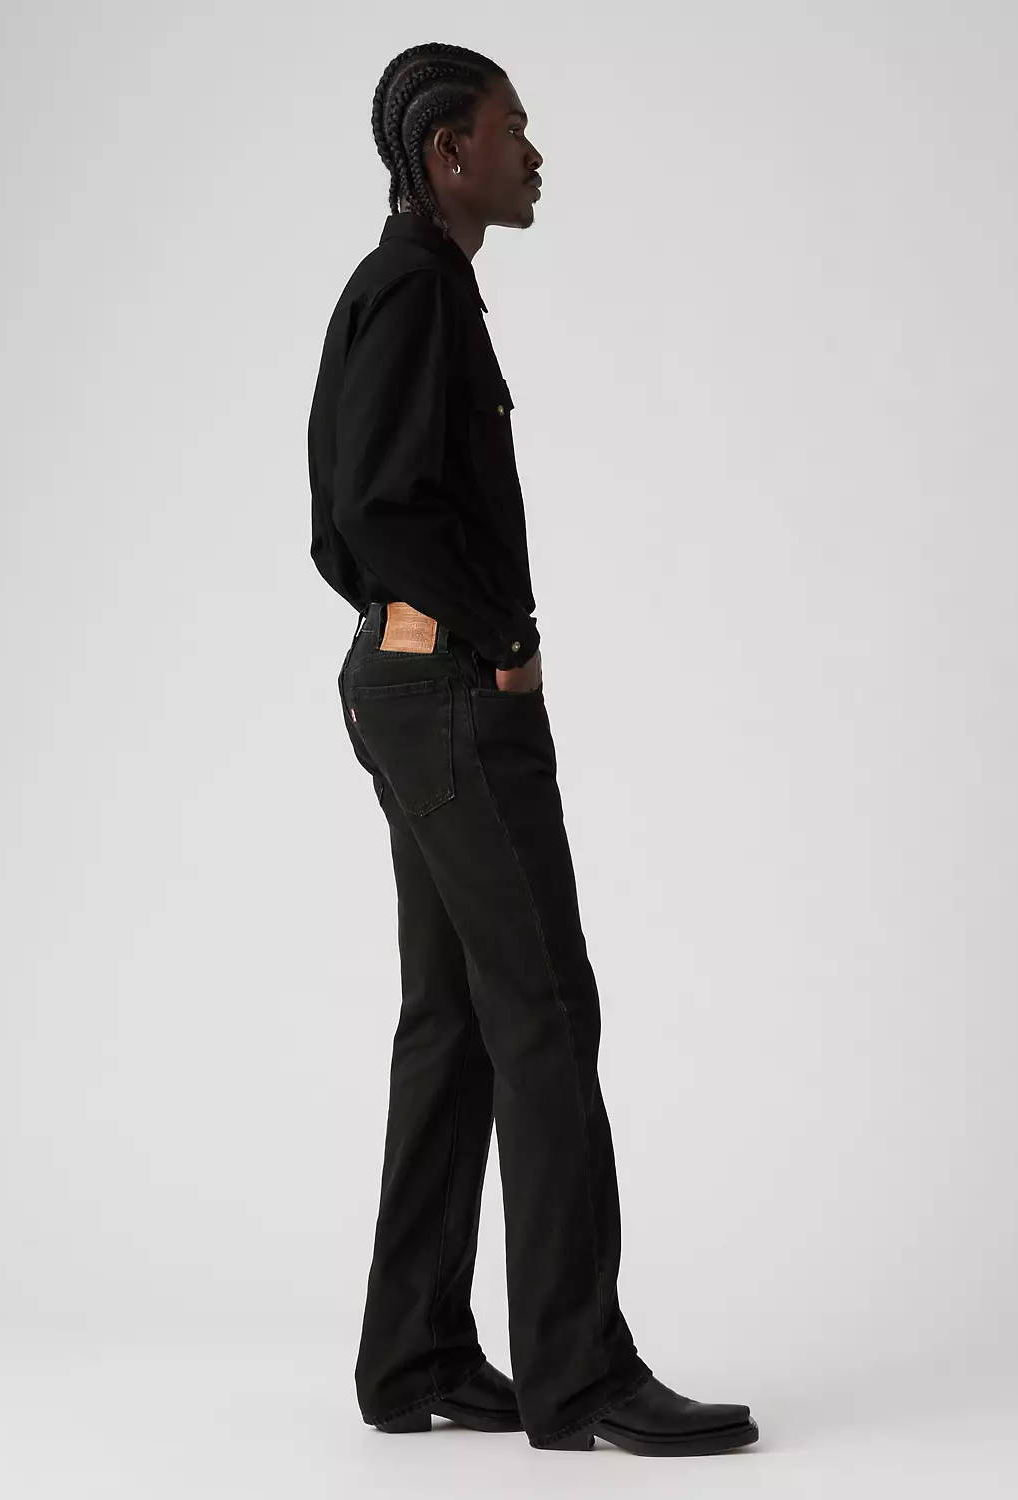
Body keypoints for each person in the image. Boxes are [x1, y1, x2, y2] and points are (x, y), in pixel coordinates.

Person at [306, 42, 759, 1458]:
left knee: (453, 1020)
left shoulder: (404, 288)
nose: (533, 152)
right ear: (449, 152)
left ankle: (415, 1350)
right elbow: (370, 513)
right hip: (450, 698)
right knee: (545, 1010)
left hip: (410, 687)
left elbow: (343, 523)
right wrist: (496, 633)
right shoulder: (415, 292)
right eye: (513, 129)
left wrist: (433, 632)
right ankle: (582, 1373)